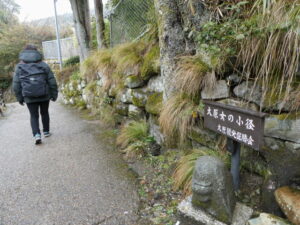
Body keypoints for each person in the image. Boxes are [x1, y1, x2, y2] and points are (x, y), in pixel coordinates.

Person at [13, 45, 58, 145]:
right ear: (36, 53)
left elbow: (16, 84)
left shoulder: (19, 66)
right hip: (44, 94)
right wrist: (54, 94)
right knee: (44, 113)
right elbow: (52, 81)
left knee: (33, 115)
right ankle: (46, 131)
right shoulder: (43, 65)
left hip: (29, 96)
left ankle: (37, 135)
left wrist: (19, 98)